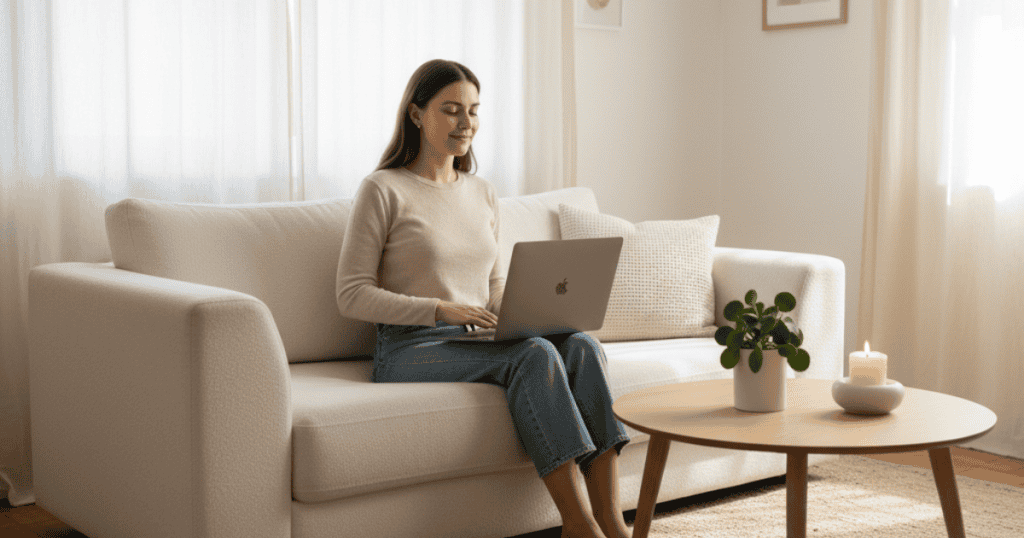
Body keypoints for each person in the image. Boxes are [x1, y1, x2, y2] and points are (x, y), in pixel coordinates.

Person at [335, 59, 632, 538]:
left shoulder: (483, 192)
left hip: (475, 338)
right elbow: (351, 295)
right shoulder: (382, 189)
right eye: (451, 110)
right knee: (533, 356)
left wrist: (519, 313)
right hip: (409, 348)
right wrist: (438, 309)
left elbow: (493, 285)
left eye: (473, 110)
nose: (466, 123)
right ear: (416, 114)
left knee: (582, 347)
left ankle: (614, 522)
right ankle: (579, 527)